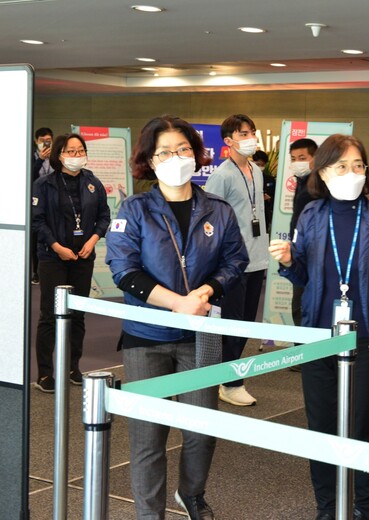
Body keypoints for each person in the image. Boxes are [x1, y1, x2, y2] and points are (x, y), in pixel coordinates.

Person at [106, 115, 248, 520]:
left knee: (200, 430)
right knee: (148, 436)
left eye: (184, 149)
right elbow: (124, 270)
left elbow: (235, 260)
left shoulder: (216, 211)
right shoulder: (133, 209)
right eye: (165, 151)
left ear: (197, 155)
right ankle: (149, 512)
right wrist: (176, 303)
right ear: (150, 161)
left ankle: (192, 495)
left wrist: (205, 292)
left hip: (199, 335)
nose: (176, 157)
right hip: (145, 336)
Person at [268, 134, 369, 520]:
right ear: (322, 172)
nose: (352, 172)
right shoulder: (311, 216)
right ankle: (327, 507)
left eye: (358, 165)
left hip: (366, 342)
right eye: (341, 165)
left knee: (365, 427)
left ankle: (364, 507)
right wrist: (291, 261)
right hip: (317, 341)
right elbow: (309, 279)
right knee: (322, 428)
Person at [31, 133, 110, 393]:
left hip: (83, 257)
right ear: (60, 155)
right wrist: (57, 246)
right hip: (53, 256)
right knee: (50, 316)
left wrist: (93, 240)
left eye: (80, 151)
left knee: (77, 315)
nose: (76, 156)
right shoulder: (44, 184)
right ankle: (45, 373)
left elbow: (103, 216)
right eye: (70, 151)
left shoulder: (92, 182)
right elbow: (38, 221)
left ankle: (73, 367)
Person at [204, 114, 268, 407]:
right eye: (243, 133)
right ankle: (229, 381)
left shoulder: (255, 170)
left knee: (246, 323)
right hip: (232, 263)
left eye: (252, 132)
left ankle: (227, 375)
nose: (250, 137)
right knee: (233, 323)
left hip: (257, 258)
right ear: (228, 141)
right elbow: (209, 221)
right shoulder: (222, 175)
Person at [286, 137, 319, 327]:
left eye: (302, 157)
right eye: (294, 158)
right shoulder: (302, 181)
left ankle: (304, 352)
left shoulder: (317, 186)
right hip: (298, 252)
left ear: (314, 158)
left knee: (301, 307)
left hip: (309, 255)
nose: (297, 162)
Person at [31, 127, 55, 284]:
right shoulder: (31, 156)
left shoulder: (57, 156)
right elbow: (29, 177)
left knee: (53, 234)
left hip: (54, 202)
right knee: (36, 236)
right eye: (42, 141)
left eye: (49, 141)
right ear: (36, 142)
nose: (46, 144)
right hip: (36, 202)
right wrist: (40, 159)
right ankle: (36, 271)